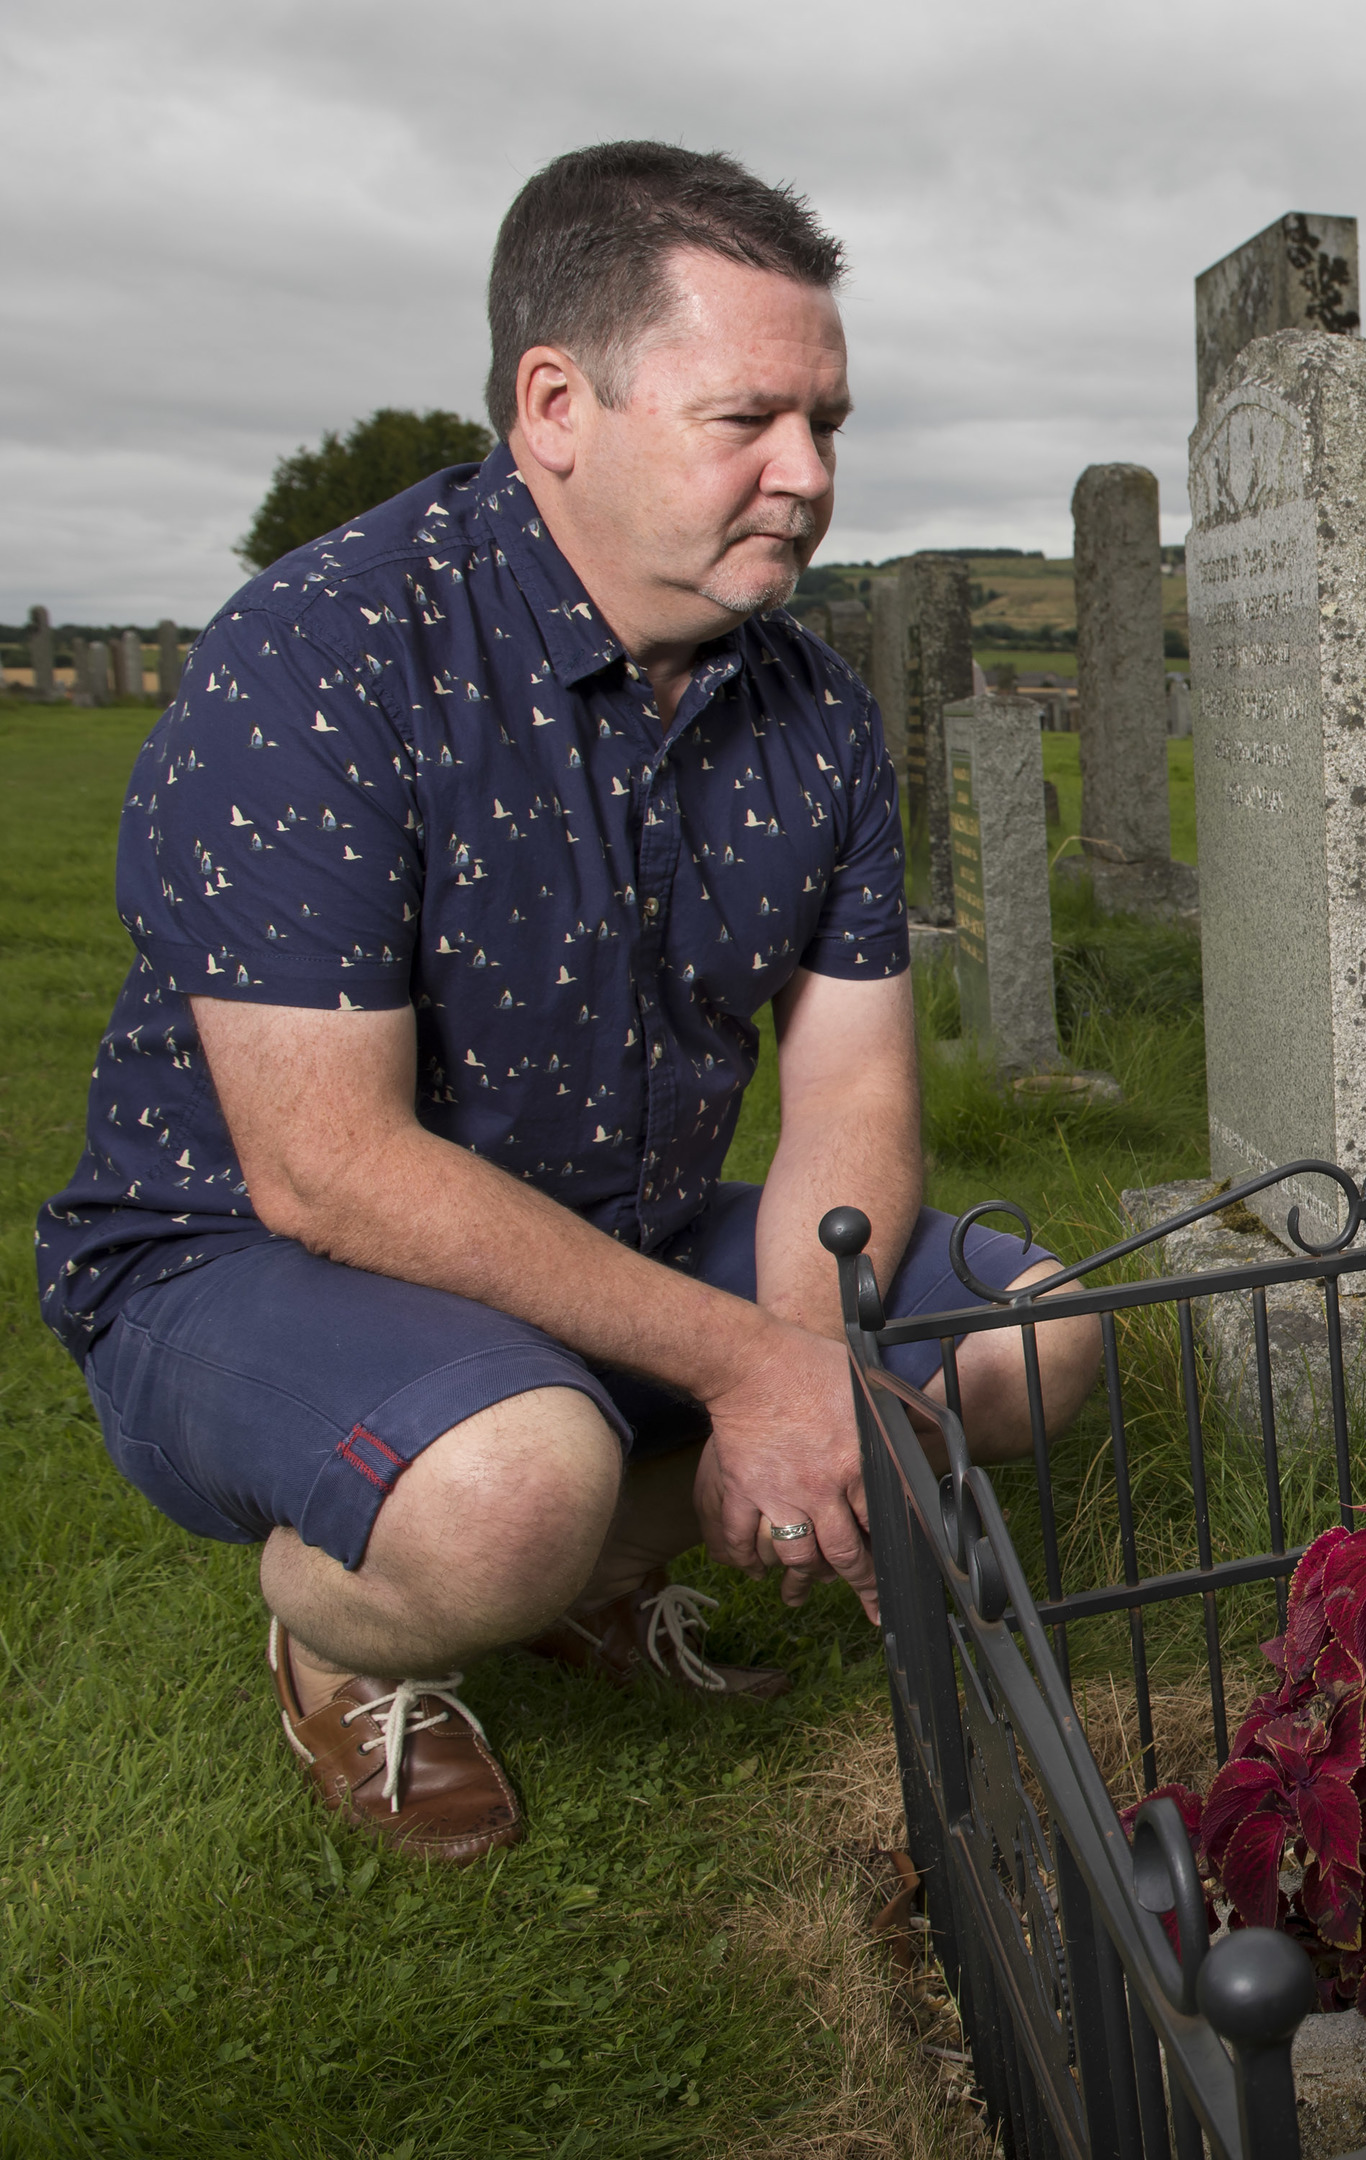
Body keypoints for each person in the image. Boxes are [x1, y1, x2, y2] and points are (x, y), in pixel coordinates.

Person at [34, 142, 1098, 1864]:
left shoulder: (814, 713)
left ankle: (592, 1569)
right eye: (747, 416)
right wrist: (745, 1370)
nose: (807, 475)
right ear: (554, 403)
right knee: (511, 1489)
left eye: (829, 422)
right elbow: (326, 1167)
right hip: (240, 1250)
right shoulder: (324, 654)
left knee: (1031, 1341)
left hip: (623, 1212)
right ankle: (341, 1626)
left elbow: (850, 1100)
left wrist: (810, 1374)